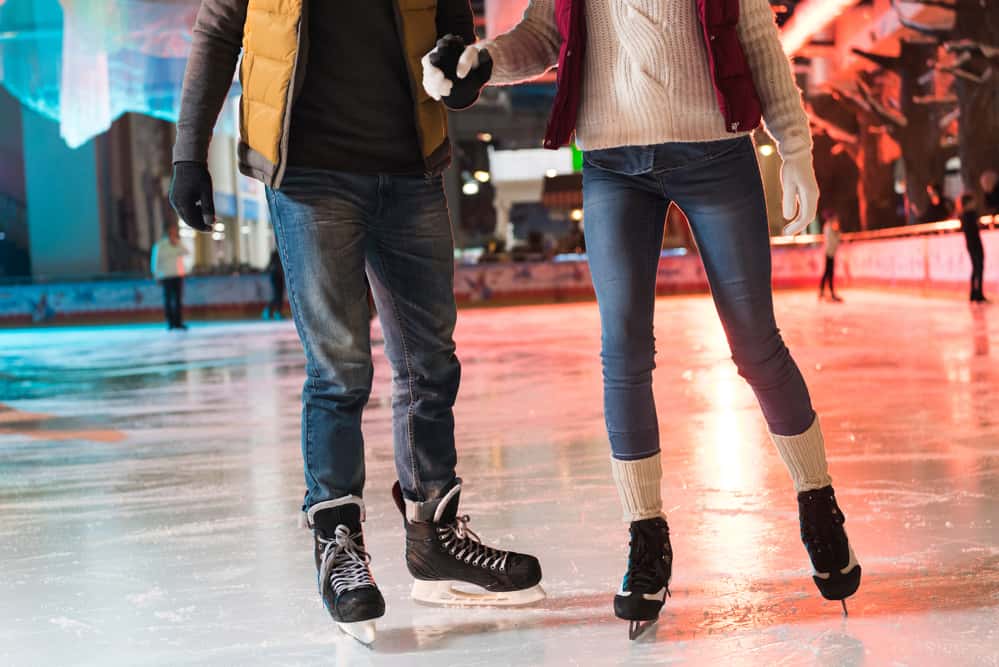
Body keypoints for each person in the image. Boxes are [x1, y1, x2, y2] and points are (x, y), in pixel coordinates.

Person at [424, 0, 860, 638]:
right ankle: (646, 536)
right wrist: (485, 59)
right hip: (610, 161)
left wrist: (794, 146)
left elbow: (758, 35)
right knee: (623, 351)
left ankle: (818, 501)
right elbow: (546, 33)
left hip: (715, 151)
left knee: (755, 344)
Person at [169, 0, 543, 645]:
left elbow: (454, 34)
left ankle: (436, 540)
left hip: (409, 171)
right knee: (339, 371)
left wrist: (462, 72)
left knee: (430, 364)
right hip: (309, 177)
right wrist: (187, 155)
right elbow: (218, 31)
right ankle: (338, 542)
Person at [150, 222, 190, 331]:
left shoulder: (178, 243)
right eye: (171, 231)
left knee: (178, 300)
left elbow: (187, 252)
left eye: (175, 231)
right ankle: (170, 322)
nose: (174, 233)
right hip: (166, 276)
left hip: (178, 275)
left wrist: (177, 242)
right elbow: (155, 261)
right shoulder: (160, 246)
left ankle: (178, 322)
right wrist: (156, 275)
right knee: (168, 300)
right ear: (167, 232)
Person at [959, 193, 988, 303]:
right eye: (972, 202)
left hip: (970, 244)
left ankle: (973, 293)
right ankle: (978, 293)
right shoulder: (971, 214)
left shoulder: (963, 216)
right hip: (975, 243)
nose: (974, 204)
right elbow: (977, 227)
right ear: (968, 203)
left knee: (975, 268)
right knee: (978, 268)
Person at [819, 211, 843, 302]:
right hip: (829, 253)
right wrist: (837, 234)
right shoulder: (829, 228)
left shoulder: (829, 228)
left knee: (827, 273)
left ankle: (824, 292)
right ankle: (830, 293)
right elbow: (833, 242)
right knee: (829, 273)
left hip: (830, 253)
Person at [262, 248, 284, 320]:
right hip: (276, 276)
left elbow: (269, 265)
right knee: (277, 296)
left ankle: (276, 312)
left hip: (279, 276)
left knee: (279, 296)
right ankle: (272, 311)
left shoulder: (281, 253)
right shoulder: (276, 254)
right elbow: (270, 265)